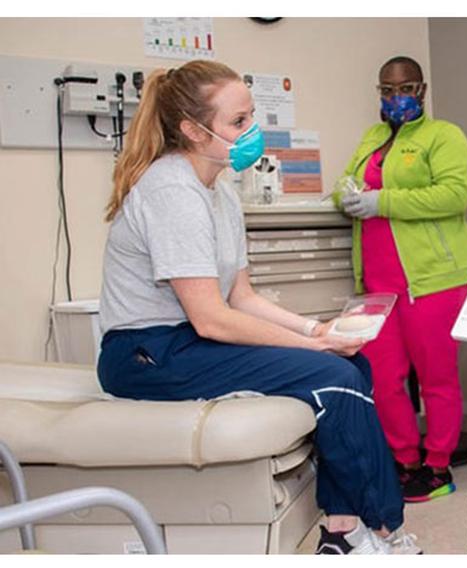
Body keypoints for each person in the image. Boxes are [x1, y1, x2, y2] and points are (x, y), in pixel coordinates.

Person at [96, 60, 419, 555]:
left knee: (351, 363)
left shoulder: (219, 192)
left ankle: (343, 530)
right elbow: (212, 317)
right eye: (238, 122)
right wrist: (315, 347)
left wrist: (318, 329)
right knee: (334, 375)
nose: (253, 132)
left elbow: (242, 297)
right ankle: (378, 532)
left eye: (251, 117)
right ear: (192, 130)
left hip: (187, 339)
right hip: (145, 352)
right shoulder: (172, 191)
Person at [333, 56, 467, 502]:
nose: (395, 97)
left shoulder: (444, 135)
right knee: (381, 374)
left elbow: (455, 195)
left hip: (432, 278)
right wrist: (347, 195)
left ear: (422, 90)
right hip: (378, 282)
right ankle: (404, 460)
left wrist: (384, 202)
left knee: (436, 377)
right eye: (386, 90)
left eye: (405, 88)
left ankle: (437, 465)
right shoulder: (373, 137)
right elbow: (350, 180)